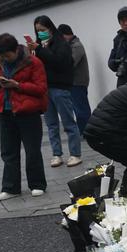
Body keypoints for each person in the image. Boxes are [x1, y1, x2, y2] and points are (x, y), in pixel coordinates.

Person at [0, 33, 48, 200]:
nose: (4, 58)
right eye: (1, 55)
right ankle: (10, 188)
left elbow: (41, 88)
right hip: (6, 111)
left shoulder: (33, 62)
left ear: (15, 50)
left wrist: (17, 85)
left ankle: (37, 185)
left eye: (7, 55)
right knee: (8, 151)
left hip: (28, 112)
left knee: (32, 150)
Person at [27, 15, 83, 167]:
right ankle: (56, 154)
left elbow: (59, 62)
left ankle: (75, 153)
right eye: (38, 31)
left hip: (60, 88)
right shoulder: (39, 46)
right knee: (51, 124)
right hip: (45, 89)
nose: (40, 34)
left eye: (43, 30)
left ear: (50, 28)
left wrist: (40, 49)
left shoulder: (61, 44)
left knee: (68, 123)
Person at [57, 24, 91, 133]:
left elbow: (70, 63)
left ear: (65, 35)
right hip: (72, 82)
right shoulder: (71, 45)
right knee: (77, 108)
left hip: (78, 82)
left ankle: (87, 131)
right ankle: (83, 131)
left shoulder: (76, 46)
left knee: (81, 109)